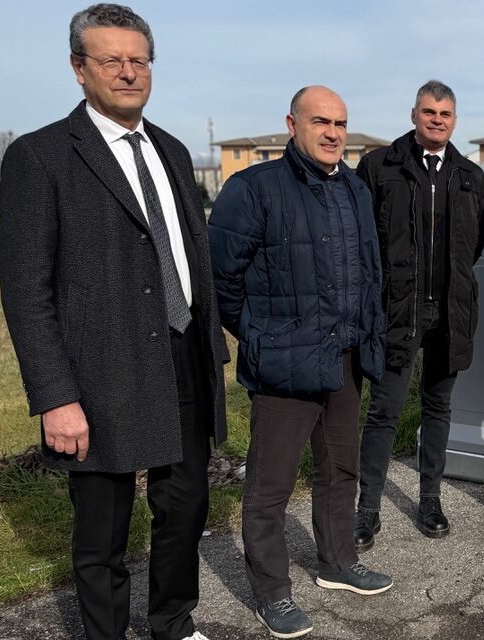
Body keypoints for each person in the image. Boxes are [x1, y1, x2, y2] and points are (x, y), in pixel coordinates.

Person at [0, 5, 227, 639]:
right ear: (79, 69)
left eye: (139, 60)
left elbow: (190, 258)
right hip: (99, 371)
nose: (129, 73)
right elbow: (25, 289)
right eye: (111, 60)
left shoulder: (175, 152)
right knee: (103, 529)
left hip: (181, 355)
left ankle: (173, 623)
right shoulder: (40, 156)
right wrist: (55, 395)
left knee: (184, 510)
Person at [208, 85, 391, 639]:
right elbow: (222, 280)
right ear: (293, 124)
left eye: (340, 122)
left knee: (340, 470)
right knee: (270, 485)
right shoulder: (254, 189)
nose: (333, 132)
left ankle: (337, 562)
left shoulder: (355, 189)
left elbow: (367, 271)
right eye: (320, 121)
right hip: (284, 364)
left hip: (344, 359)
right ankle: (271, 593)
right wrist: (263, 335)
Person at [352, 80, 484, 551]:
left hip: (449, 310)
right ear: (413, 114)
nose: (437, 119)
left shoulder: (470, 176)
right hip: (397, 311)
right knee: (384, 411)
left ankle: (429, 498)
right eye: (429, 112)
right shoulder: (379, 168)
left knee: (438, 407)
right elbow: (362, 242)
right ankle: (367, 508)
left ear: (455, 120)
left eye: (445, 114)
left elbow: (475, 244)